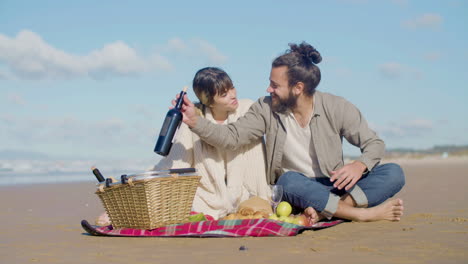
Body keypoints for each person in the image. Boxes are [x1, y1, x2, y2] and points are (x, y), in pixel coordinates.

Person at [177, 42, 405, 225]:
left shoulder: (336, 106)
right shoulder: (265, 108)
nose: (268, 89)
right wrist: (196, 122)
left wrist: (360, 165)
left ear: (298, 88)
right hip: (297, 189)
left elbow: (373, 143)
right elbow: (232, 137)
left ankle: (330, 210)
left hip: (335, 185)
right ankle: (359, 214)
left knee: (394, 173)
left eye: (275, 85)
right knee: (288, 180)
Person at [150, 67, 271, 220]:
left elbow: (233, 140)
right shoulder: (195, 118)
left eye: (232, 87)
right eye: (224, 94)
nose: (233, 95)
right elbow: (178, 161)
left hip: (245, 192)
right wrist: (150, 179)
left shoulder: (247, 109)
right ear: (209, 101)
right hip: (210, 194)